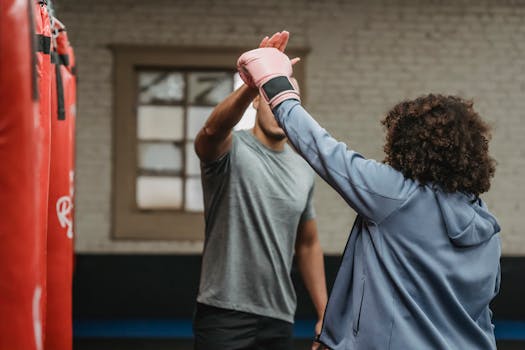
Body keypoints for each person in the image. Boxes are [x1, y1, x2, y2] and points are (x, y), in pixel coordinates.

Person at [235, 33, 501, 350]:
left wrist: (275, 83)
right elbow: (481, 312)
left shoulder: (394, 195)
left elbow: (322, 150)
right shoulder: (487, 224)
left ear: (406, 145)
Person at [193, 32, 327, 350]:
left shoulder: (302, 170)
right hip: (224, 313)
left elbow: (307, 243)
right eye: (272, 98)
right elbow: (211, 131)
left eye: (288, 102)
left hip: (279, 316)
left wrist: (325, 312)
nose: (280, 108)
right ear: (256, 101)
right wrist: (255, 82)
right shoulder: (231, 149)